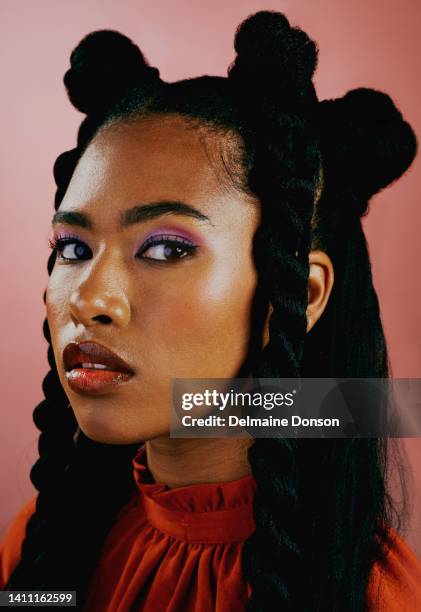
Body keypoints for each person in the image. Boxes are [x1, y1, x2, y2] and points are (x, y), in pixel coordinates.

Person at [1, 10, 420, 611]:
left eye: (167, 248)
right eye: (73, 247)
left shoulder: (372, 597)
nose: (89, 300)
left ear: (298, 295)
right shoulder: (47, 544)